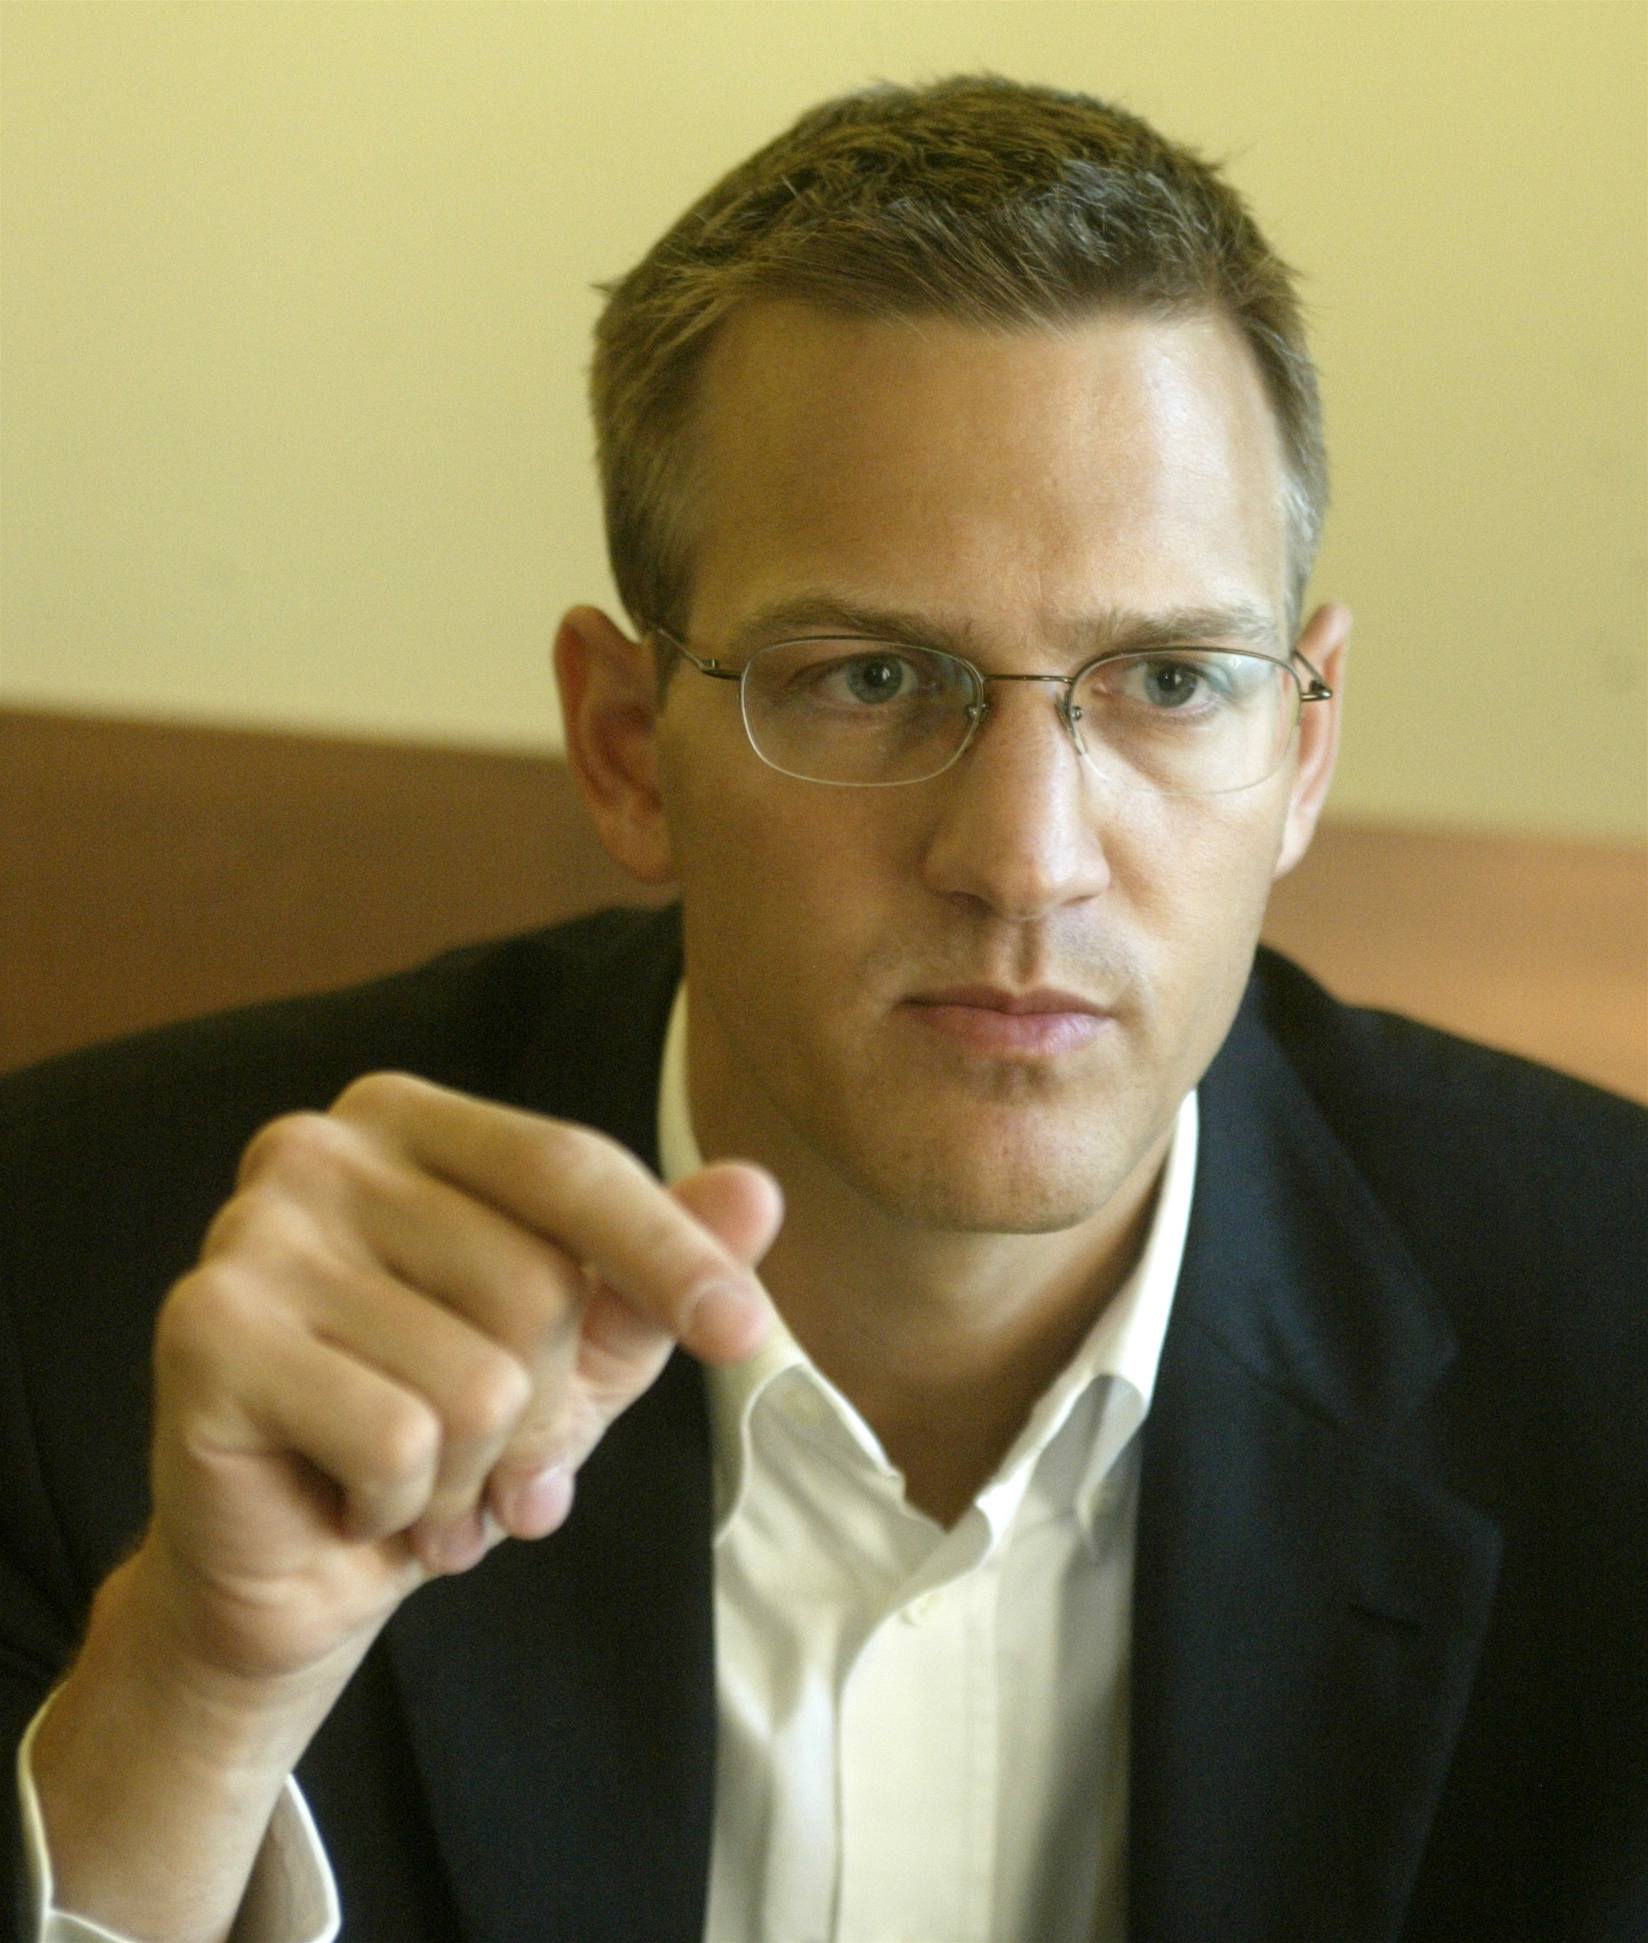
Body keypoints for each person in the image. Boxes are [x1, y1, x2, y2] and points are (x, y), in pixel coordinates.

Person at [4, 74, 1644, 1943]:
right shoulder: (77, 1290)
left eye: (1172, 681)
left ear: (1303, 751)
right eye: (871, 678)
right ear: (627, 751)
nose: (1024, 861)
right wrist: (194, 1704)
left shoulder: (1617, 1347)